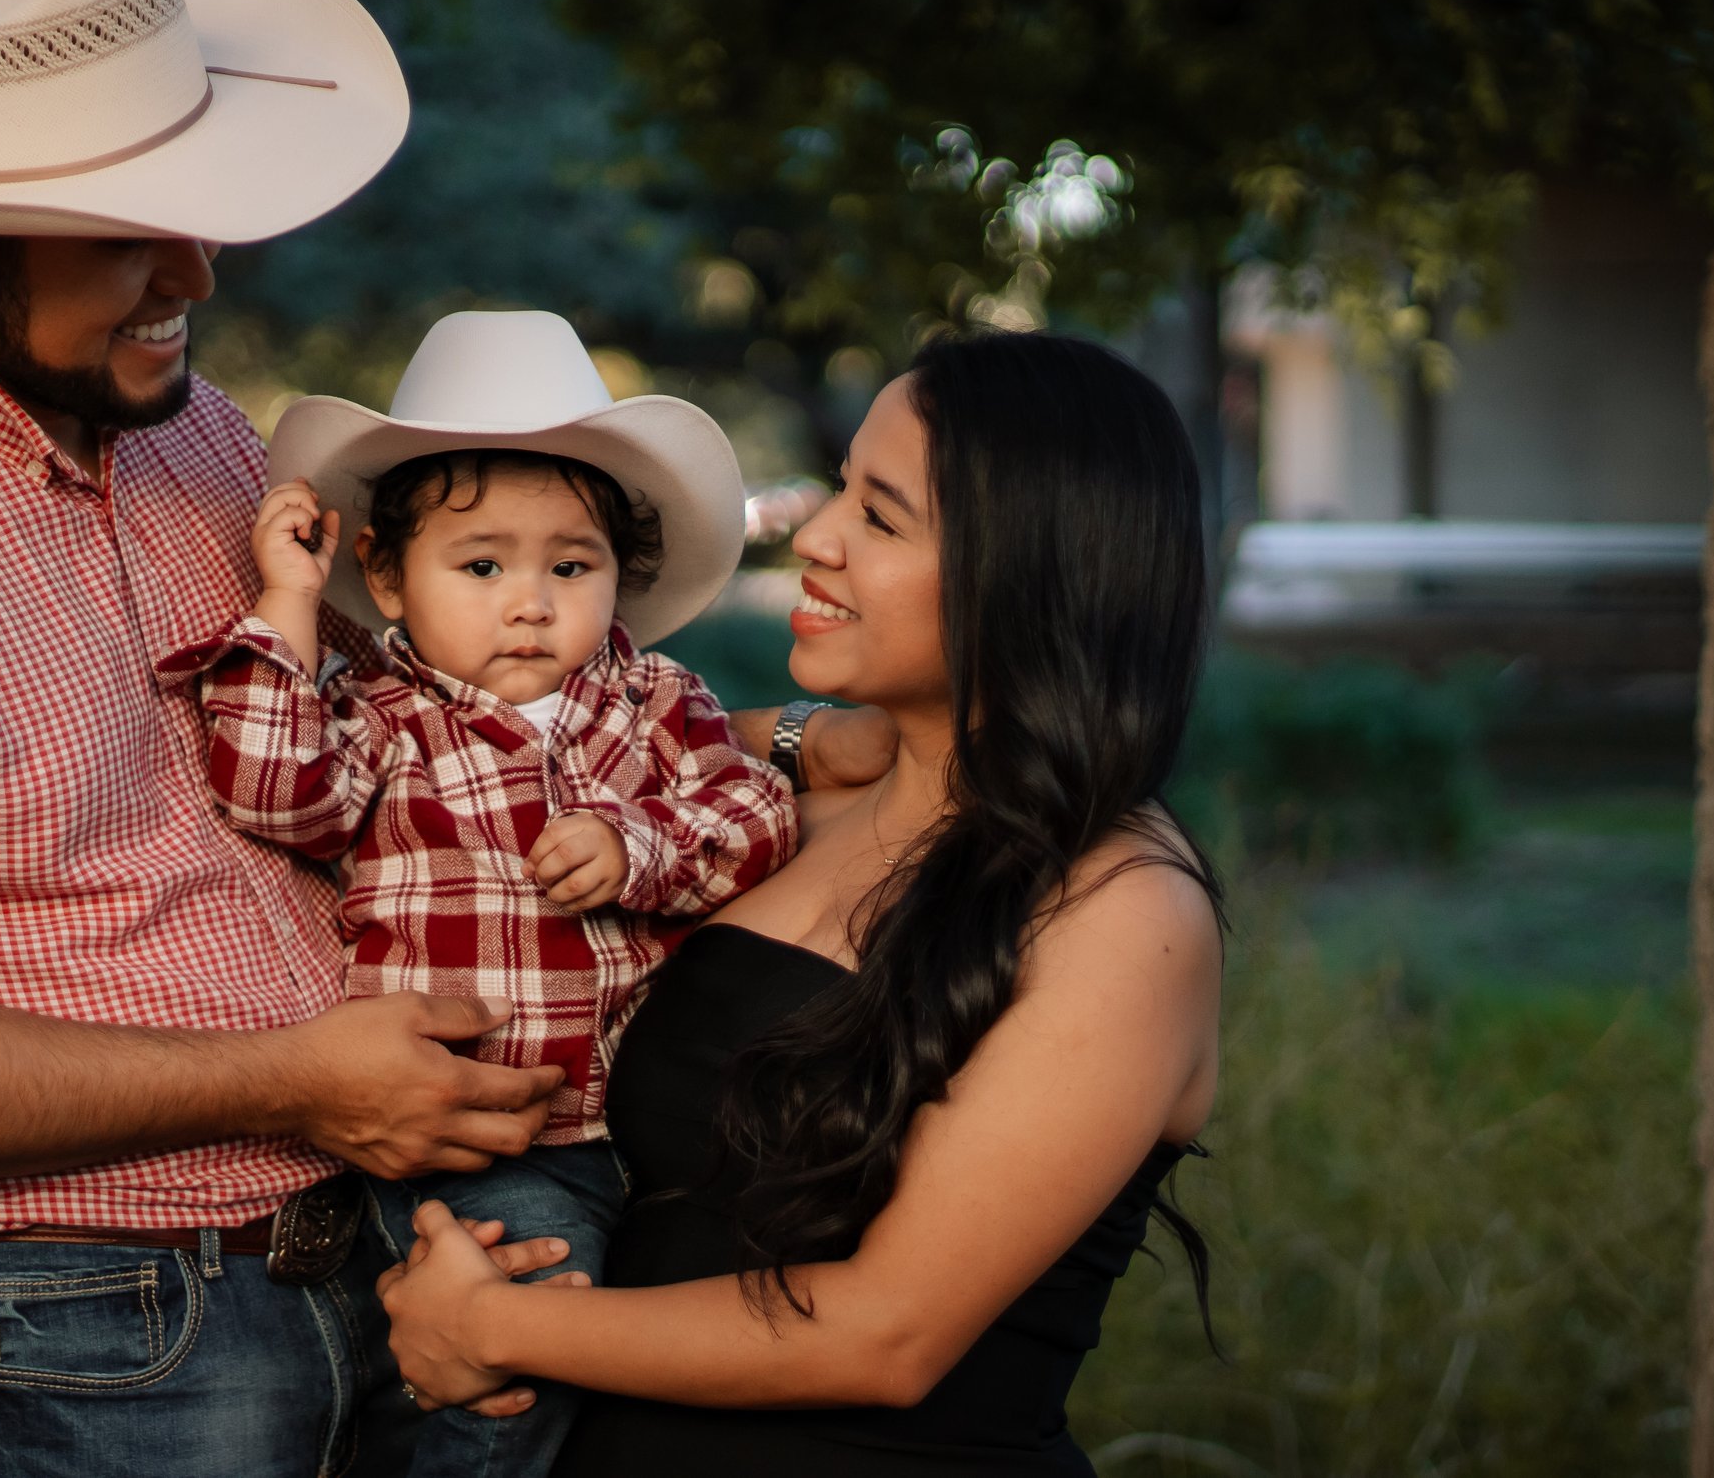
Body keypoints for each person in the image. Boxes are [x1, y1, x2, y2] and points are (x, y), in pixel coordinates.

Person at [0, 0, 895, 1477]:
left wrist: (772, 739)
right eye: (124, 229)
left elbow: (454, 713)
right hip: (79, 1340)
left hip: (370, 1263)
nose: (195, 272)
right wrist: (290, 1077)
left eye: (196, 206)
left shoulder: (187, 434)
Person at [375, 331, 1228, 1477]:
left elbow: (889, 1331)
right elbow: (564, 740)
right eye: (836, 492)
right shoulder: (786, 814)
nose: (814, 536)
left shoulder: (1122, 907)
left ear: (1030, 567)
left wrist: (488, 1326)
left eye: (879, 517)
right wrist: (800, 734)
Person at [159, 310, 801, 1478]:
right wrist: (288, 604)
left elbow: (753, 814)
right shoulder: (378, 715)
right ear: (387, 576)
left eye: (570, 565)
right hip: (479, 1134)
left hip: (661, 1126)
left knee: (660, 1377)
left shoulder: (657, 701)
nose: (530, 601)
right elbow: (270, 789)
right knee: (504, 1382)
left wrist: (637, 844)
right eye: (482, 564)